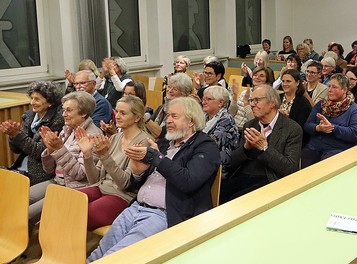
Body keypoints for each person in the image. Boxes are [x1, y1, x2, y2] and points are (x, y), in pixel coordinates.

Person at [87, 97, 220, 261]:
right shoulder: (165, 143)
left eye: (174, 116)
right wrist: (138, 173)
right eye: (168, 116)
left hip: (164, 214)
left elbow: (188, 181)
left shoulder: (206, 147)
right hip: (135, 207)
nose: (168, 121)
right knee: (99, 253)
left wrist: (157, 158)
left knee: (117, 257)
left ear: (191, 121)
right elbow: (137, 183)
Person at [76, 95, 152, 230]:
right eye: (117, 111)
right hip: (100, 188)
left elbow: (125, 184)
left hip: (121, 196)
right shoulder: (115, 138)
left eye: (123, 113)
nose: (117, 116)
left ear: (137, 118)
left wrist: (104, 155)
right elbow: (94, 179)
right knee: (65, 203)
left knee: (80, 216)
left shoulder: (144, 142)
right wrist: (87, 154)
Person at [220, 85, 302, 202]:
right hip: (243, 174)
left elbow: (290, 168)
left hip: (269, 178)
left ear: (272, 103)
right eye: (251, 100)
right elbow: (232, 162)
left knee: (235, 201)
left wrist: (264, 148)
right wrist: (246, 148)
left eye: (257, 100)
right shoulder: (250, 125)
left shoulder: (292, 129)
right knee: (218, 195)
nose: (252, 104)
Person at [32, 91, 101, 224]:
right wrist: (50, 150)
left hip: (75, 188)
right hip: (57, 181)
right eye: (63, 110)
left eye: (68, 110)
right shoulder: (67, 130)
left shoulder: (93, 136)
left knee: (28, 215)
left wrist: (59, 149)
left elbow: (81, 174)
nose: (64, 114)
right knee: (19, 199)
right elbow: (50, 171)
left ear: (83, 113)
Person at [0, 81, 64, 186]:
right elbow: (16, 150)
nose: (32, 102)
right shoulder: (29, 116)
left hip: (39, 173)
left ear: (50, 103)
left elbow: (41, 153)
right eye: (32, 98)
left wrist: (17, 135)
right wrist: (12, 135)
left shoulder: (57, 120)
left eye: (37, 99)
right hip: (21, 166)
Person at [302, 73, 357, 168]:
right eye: (329, 86)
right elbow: (307, 125)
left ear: (344, 90)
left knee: (325, 166)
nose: (330, 90)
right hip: (315, 147)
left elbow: (355, 133)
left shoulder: (354, 109)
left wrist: (332, 128)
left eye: (334, 87)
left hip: (338, 149)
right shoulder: (321, 104)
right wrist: (318, 128)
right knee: (302, 162)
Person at [202, 86, 239, 176]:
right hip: (204, 160)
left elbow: (210, 143)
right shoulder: (204, 117)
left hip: (219, 167)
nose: (203, 102)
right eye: (203, 99)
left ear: (221, 102)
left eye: (208, 99)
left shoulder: (226, 120)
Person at [147, 73, 193, 139]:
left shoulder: (184, 112)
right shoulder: (162, 107)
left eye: (175, 89)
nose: (169, 90)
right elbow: (147, 127)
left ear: (184, 94)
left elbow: (162, 134)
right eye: (169, 87)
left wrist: (143, 117)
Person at [280, 69, 312, 146]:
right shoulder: (277, 98)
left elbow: (301, 129)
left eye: (288, 81)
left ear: (297, 83)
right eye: (283, 81)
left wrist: (287, 118)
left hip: (294, 141)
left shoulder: (303, 103)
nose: (284, 84)